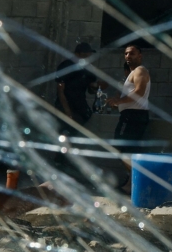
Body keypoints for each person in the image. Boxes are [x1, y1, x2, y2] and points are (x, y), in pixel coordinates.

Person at [107, 45, 151, 190]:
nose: (128, 56)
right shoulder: (132, 73)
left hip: (133, 116)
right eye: (126, 53)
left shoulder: (140, 71)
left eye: (132, 53)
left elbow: (139, 92)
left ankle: (136, 181)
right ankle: (131, 183)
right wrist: (116, 103)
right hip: (130, 115)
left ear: (140, 55)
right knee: (126, 149)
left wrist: (119, 101)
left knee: (123, 149)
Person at [55, 42, 99, 129]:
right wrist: (67, 111)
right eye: (86, 54)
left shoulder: (87, 69)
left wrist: (95, 87)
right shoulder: (66, 66)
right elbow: (60, 90)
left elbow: (90, 89)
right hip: (67, 105)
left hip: (80, 107)